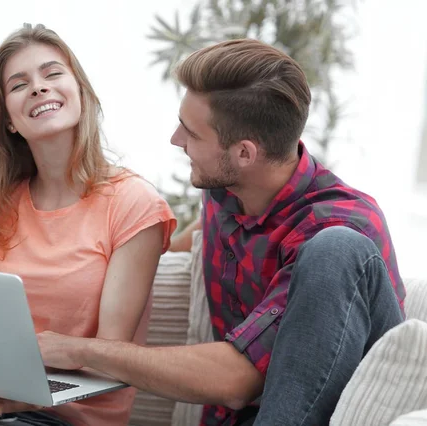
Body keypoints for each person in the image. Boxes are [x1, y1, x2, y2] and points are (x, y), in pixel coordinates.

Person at [36, 39, 406, 426]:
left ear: (244, 154)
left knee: (338, 248)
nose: (176, 141)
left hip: (321, 413)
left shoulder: (337, 228)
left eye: (191, 133)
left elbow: (237, 380)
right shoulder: (224, 189)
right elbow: (192, 240)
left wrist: (83, 352)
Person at [0, 24, 176, 426]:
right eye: (19, 84)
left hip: (67, 415)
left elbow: (111, 357)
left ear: (81, 92)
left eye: (53, 73)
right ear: (8, 119)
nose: (40, 88)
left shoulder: (133, 203)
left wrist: (25, 398)